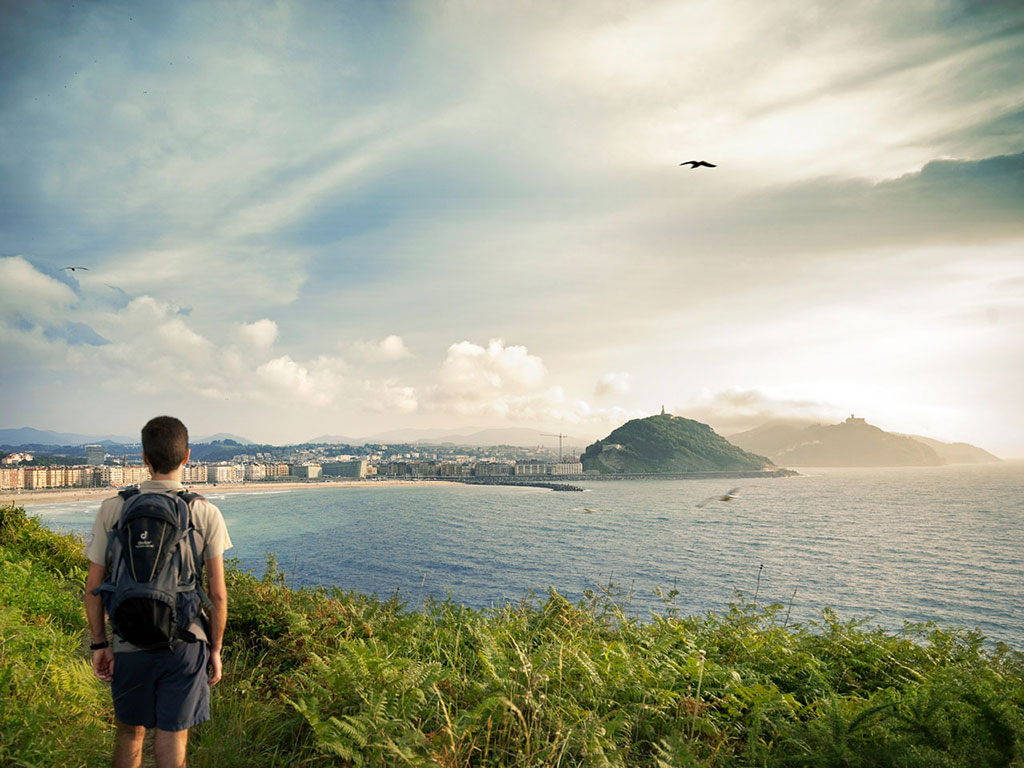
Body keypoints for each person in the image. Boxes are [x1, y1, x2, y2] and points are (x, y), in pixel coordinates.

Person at [85, 416, 232, 768]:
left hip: (128, 639)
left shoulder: (114, 508)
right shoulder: (204, 511)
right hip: (185, 641)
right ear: (187, 457)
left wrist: (100, 644)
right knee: (172, 735)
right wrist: (215, 649)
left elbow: (93, 588)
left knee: (129, 733)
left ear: (144, 458)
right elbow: (218, 595)